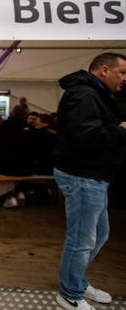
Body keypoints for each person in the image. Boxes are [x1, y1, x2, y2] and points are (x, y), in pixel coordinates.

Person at [54, 52, 126, 310]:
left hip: (93, 176)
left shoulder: (93, 94)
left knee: (98, 234)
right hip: (83, 175)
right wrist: (121, 131)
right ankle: (70, 293)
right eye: (122, 73)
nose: (124, 79)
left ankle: (78, 281)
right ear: (104, 70)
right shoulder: (84, 95)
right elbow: (86, 136)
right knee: (82, 239)